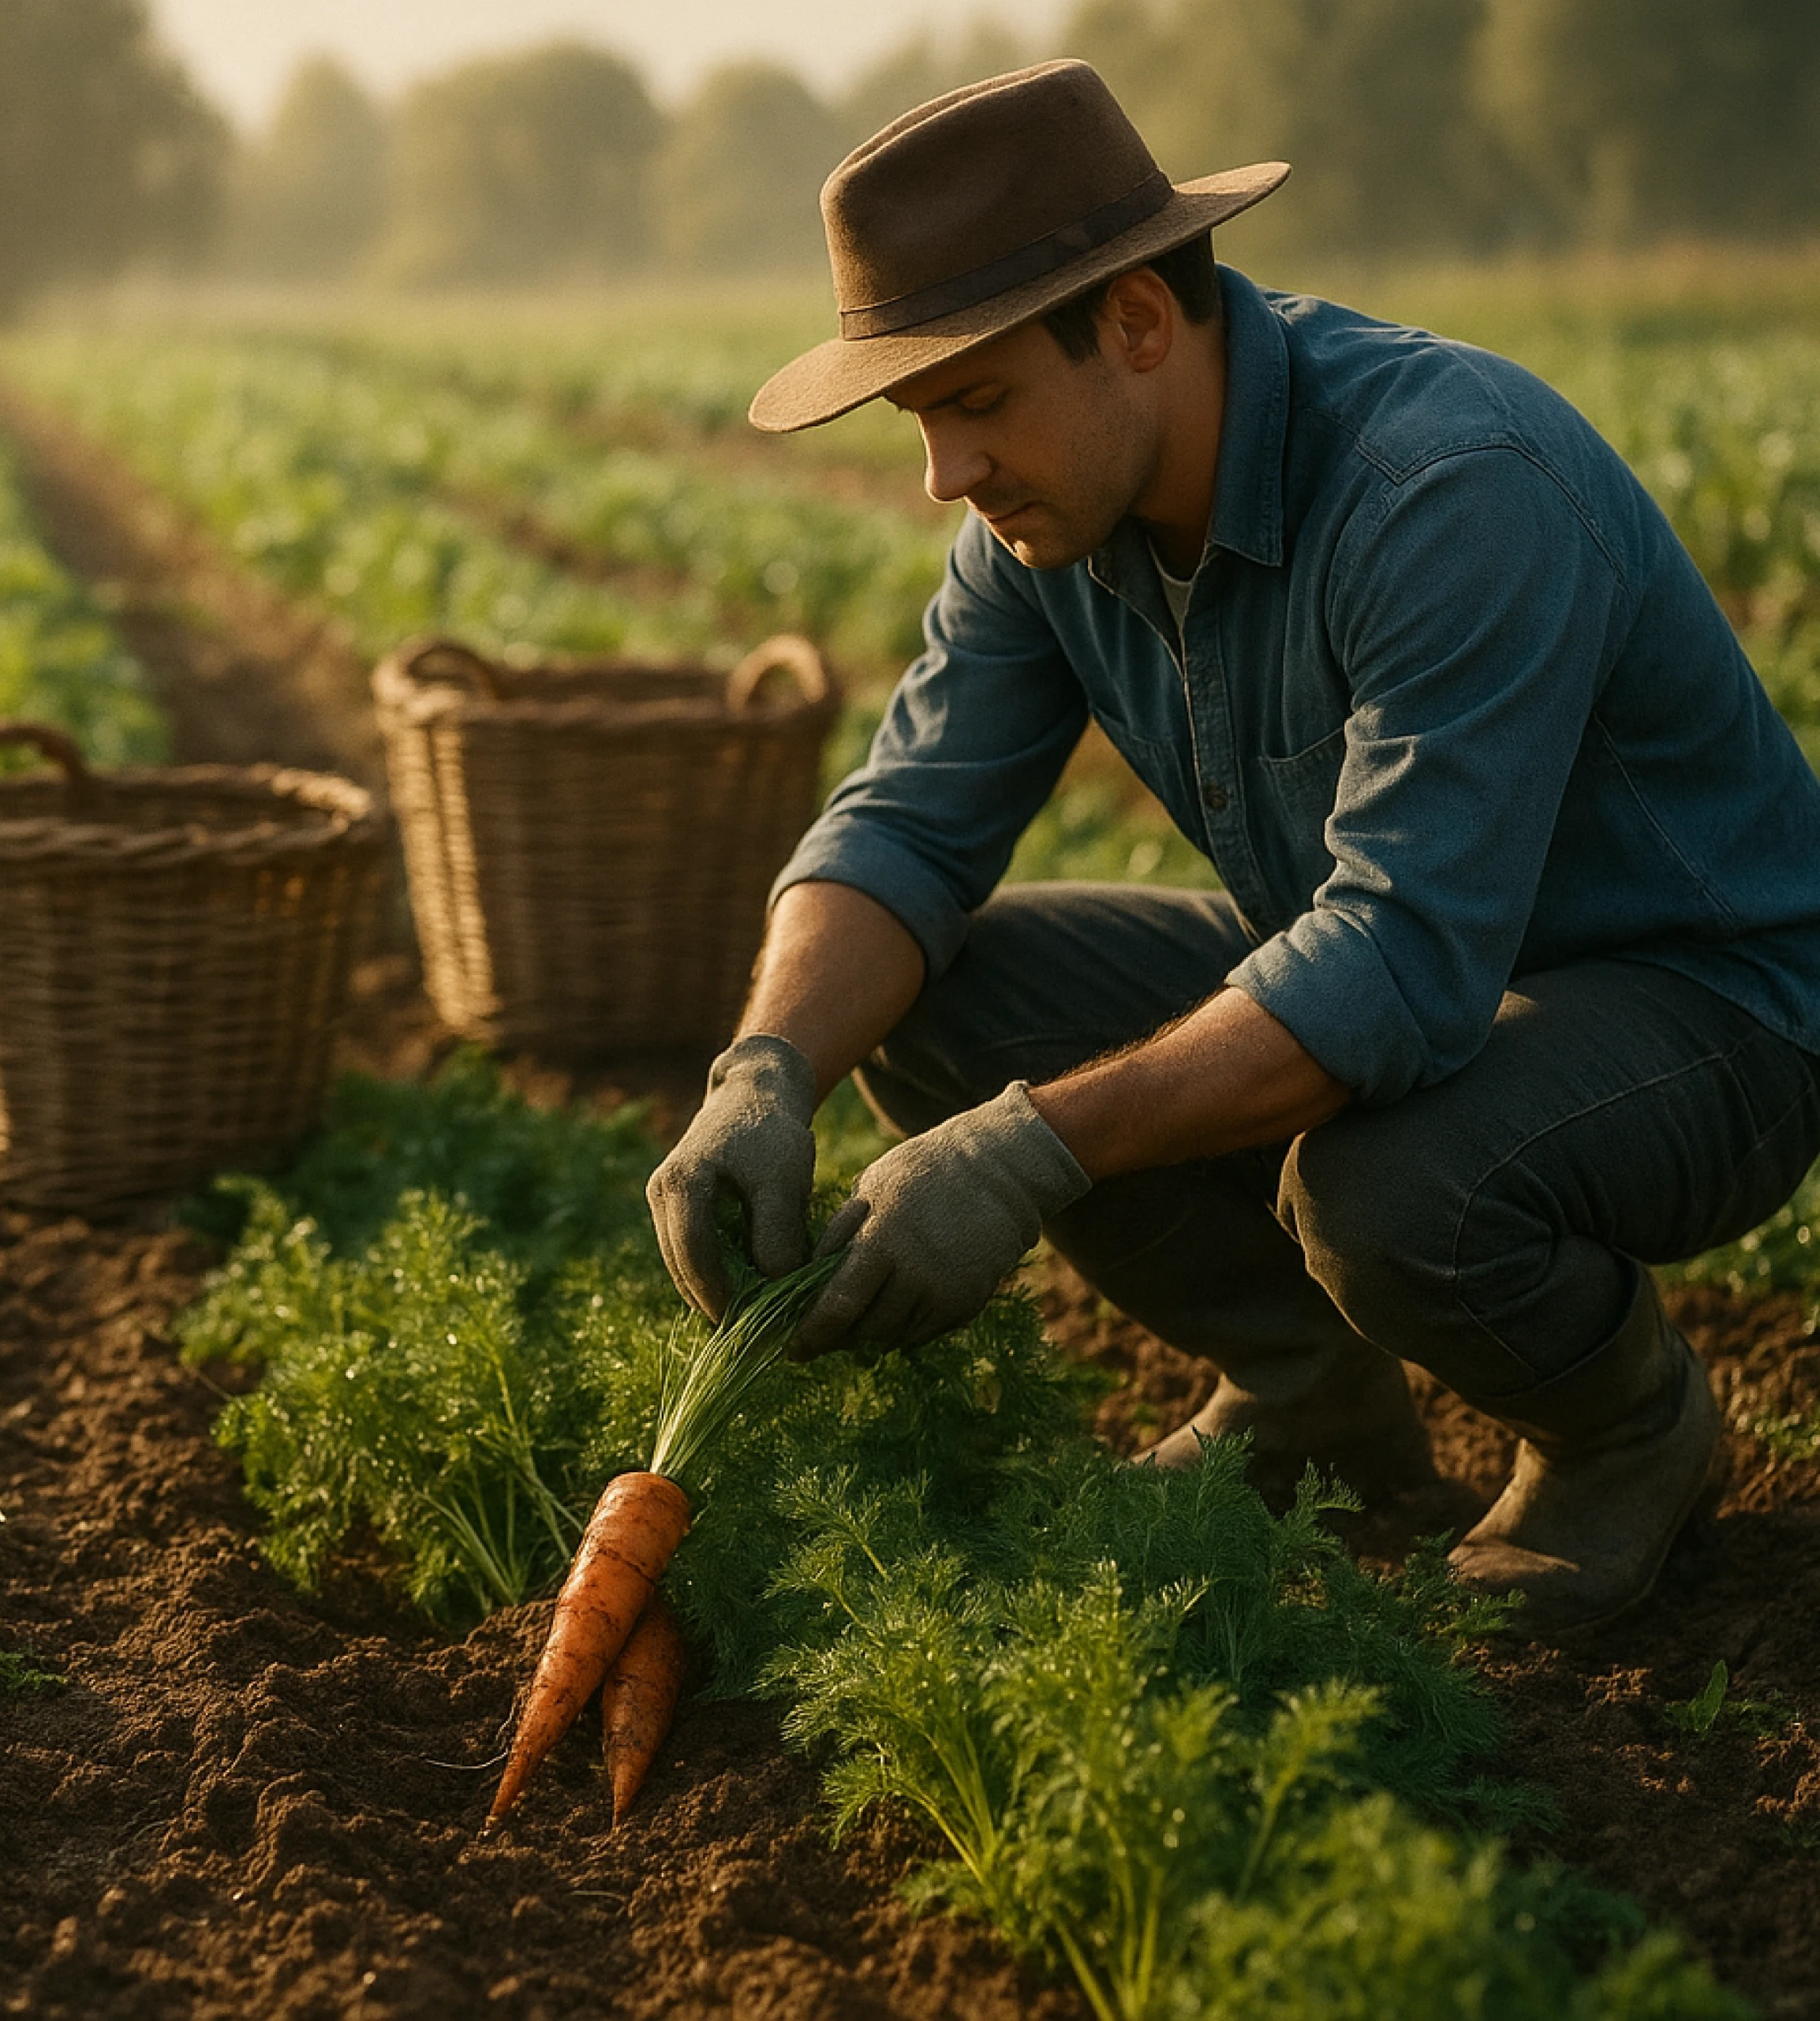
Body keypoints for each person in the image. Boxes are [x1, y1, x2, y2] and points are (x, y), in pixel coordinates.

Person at [648, 59, 1820, 1636]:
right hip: (1416, 975)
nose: (948, 473)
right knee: (934, 999)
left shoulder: (1446, 483)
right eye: (926, 419)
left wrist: (1029, 1145)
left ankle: (1627, 1428)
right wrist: (762, 1067)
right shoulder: (1046, 529)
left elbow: (1401, 964)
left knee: (1389, 1186)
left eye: (977, 400)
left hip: (1707, 1009)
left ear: (1139, 322)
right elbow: (907, 824)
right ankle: (1308, 1391)